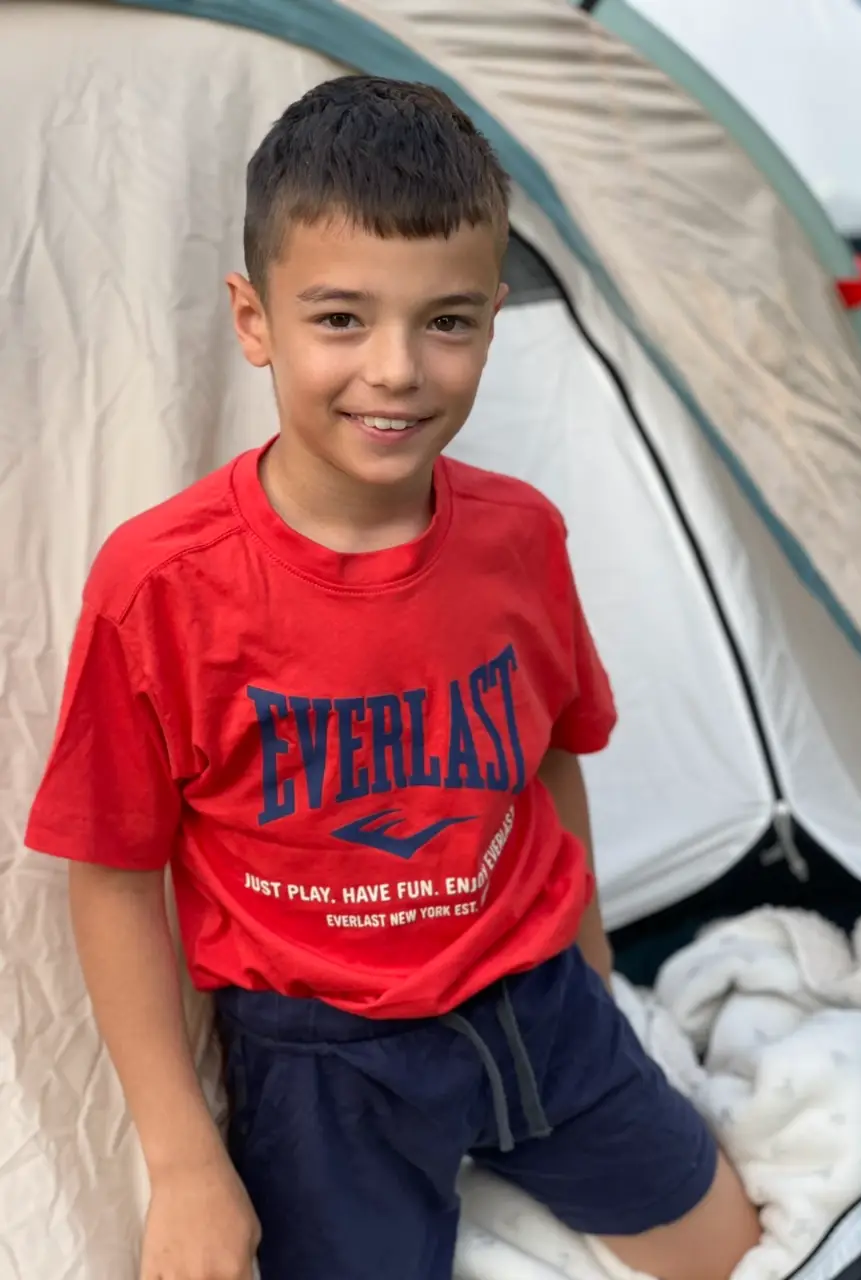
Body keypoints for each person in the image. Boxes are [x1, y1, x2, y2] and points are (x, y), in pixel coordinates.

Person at [25, 76, 760, 1280]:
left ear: (494, 318)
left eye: (447, 321)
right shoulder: (161, 583)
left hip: (540, 1003)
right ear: (254, 319)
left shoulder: (520, 536)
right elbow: (110, 876)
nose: (398, 368)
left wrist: (592, 971)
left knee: (734, 1250)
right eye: (341, 318)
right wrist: (186, 1159)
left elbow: (549, 755)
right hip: (324, 1062)